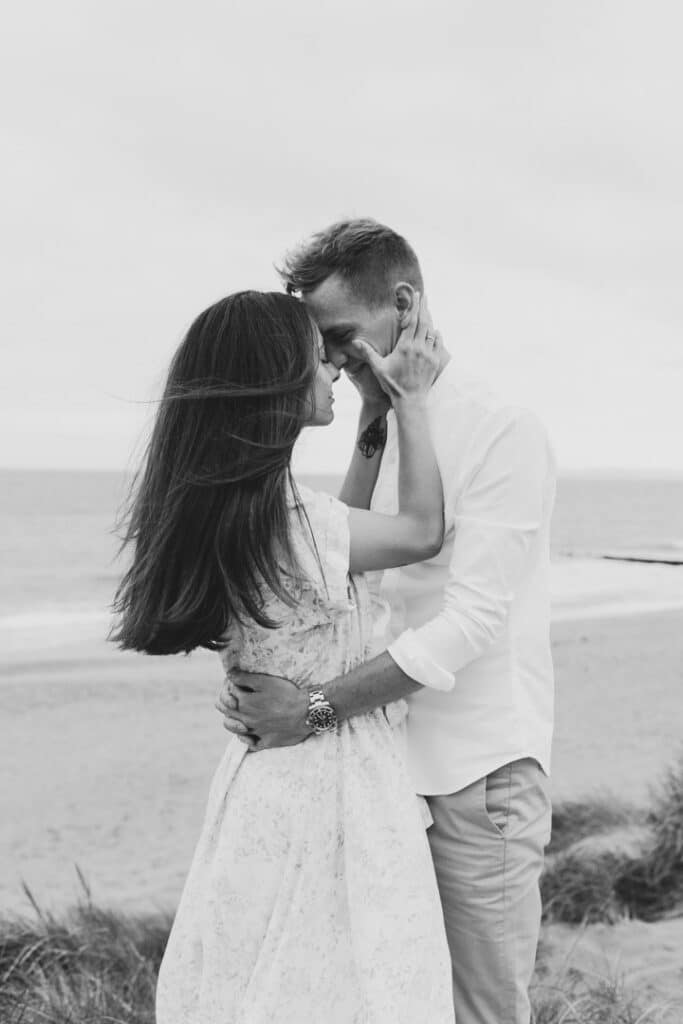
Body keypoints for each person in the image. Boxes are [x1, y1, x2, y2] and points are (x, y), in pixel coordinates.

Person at [219, 219, 557, 1024]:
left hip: (475, 776)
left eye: (339, 336)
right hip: (381, 773)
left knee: (481, 1010)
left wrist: (311, 709)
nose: (330, 361)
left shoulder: (501, 428)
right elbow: (340, 566)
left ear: (403, 306)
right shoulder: (378, 423)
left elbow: (468, 621)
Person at [111, 289, 455, 1023]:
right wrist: (413, 400)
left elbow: (340, 542)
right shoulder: (290, 521)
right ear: (275, 380)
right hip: (332, 787)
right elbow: (421, 530)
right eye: (317, 357)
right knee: (353, 987)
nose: (333, 365)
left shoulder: (233, 506)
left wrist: (371, 418)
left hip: (261, 788)